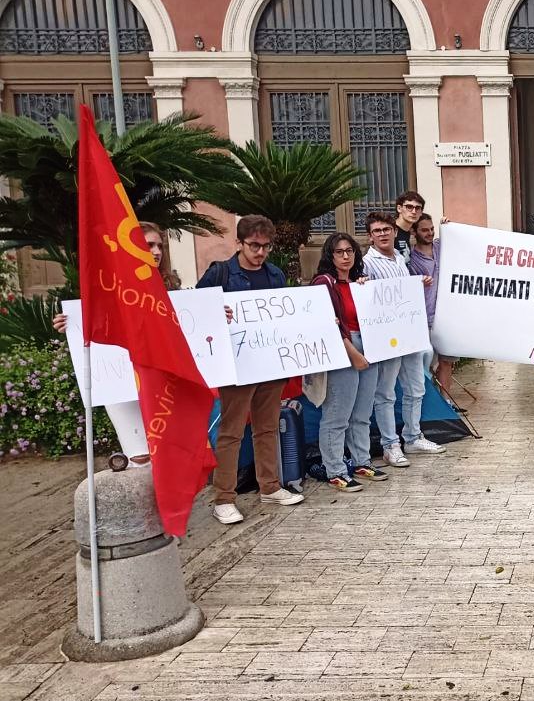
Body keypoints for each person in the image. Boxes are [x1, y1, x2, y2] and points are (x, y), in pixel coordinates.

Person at [196, 215, 305, 524]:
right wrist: (216, 312)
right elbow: (194, 311)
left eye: (266, 246)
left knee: (267, 428)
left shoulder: (274, 274)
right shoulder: (221, 273)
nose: (261, 252)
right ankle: (224, 498)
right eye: (254, 245)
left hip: (269, 364)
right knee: (231, 432)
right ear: (239, 243)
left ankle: (270, 487)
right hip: (236, 365)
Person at [53, 221, 178, 469]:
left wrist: (216, 317)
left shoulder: (171, 287)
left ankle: (171, 507)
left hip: (162, 381)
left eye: (159, 246)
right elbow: (95, 326)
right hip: (120, 381)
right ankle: (145, 507)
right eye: (148, 244)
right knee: (139, 456)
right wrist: (70, 324)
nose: (156, 251)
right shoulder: (106, 286)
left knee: (169, 453)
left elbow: (191, 325)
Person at [311, 232, 387, 491]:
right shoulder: (323, 283)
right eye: (339, 252)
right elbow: (326, 324)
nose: (345, 256)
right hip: (343, 348)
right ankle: (335, 470)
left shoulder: (358, 282)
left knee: (363, 413)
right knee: (336, 414)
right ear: (330, 256)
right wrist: (353, 353)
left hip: (369, 345)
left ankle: (362, 461)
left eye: (350, 251)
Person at [361, 211, 424, 469]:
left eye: (386, 229)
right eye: (377, 231)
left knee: (416, 387)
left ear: (394, 232)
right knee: (386, 393)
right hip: (386, 338)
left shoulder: (400, 258)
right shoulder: (367, 263)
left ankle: (413, 436)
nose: (383, 234)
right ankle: (390, 445)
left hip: (409, 332)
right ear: (370, 236)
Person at [408, 212, 459, 409]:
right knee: (426, 363)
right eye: (424, 230)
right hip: (424, 318)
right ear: (414, 232)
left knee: (447, 361)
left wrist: (447, 228)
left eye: (431, 229)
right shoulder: (410, 258)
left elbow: (461, 243)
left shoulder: (440, 247)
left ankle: (446, 403)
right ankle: (427, 405)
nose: (429, 233)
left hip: (446, 316)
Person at [392, 191, 425, 262]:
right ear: (399, 208)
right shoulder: (390, 231)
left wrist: (444, 225)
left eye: (418, 208)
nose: (414, 211)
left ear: (421, 212)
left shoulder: (412, 232)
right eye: (409, 207)